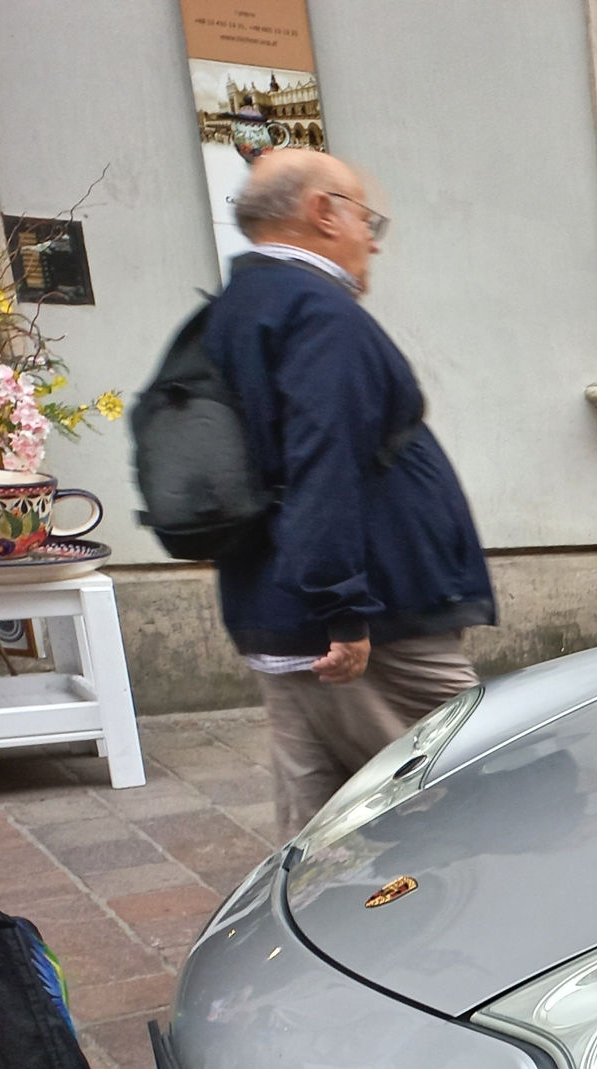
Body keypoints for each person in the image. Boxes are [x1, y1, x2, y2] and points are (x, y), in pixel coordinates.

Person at [204, 149, 495, 837]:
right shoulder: (314, 311)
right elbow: (322, 458)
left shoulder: (240, 305)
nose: (372, 241)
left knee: (322, 832)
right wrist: (342, 609)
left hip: (284, 605)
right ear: (322, 212)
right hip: (370, 621)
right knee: (468, 794)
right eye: (368, 220)